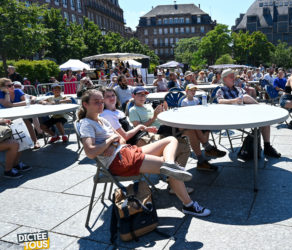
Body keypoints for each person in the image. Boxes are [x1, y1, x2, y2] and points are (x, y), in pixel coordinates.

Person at [78, 89, 210, 216]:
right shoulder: (86, 124)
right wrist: (111, 141)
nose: (101, 104)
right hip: (118, 161)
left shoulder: (103, 119)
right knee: (171, 167)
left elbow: (122, 139)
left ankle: (170, 164)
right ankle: (189, 205)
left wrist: (113, 144)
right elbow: (90, 152)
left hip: (125, 151)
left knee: (171, 139)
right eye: (96, 102)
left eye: (101, 101)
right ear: (85, 104)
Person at [216, 69, 281, 158]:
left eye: (233, 76)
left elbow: (247, 99)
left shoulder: (239, 89)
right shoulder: (221, 90)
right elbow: (220, 101)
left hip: (245, 115)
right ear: (224, 79)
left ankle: (267, 146)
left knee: (265, 119)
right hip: (232, 117)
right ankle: (263, 110)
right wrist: (234, 100)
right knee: (246, 97)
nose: (234, 78)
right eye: (231, 77)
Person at [180, 84, 226, 171]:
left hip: (196, 122)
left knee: (205, 127)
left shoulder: (197, 100)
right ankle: (207, 147)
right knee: (195, 127)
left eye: (194, 90)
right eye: (191, 90)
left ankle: (207, 149)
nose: (193, 92)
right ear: (186, 91)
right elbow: (185, 115)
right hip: (189, 123)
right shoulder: (184, 102)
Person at [0, 78, 40, 149]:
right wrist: (7, 93)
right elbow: (6, 104)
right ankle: (10, 145)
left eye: (12, 84)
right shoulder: (1, 93)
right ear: (3, 87)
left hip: (19, 114)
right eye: (9, 86)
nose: (12, 86)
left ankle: (35, 141)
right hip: (5, 116)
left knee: (27, 122)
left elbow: (27, 101)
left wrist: (12, 105)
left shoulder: (17, 91)